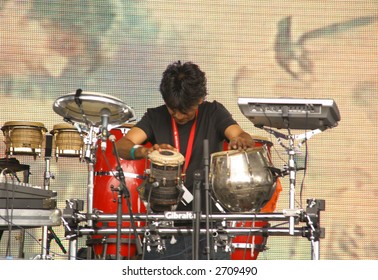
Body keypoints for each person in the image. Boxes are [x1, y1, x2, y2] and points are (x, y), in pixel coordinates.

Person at [115, 61, 255, 260]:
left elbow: (240, 135)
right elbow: (121, 145)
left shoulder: (214, 113)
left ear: (200, 99)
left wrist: (240, 140)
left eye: (185, 110)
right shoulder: (155, 116)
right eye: (173, 110)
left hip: (209, 222)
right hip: (164, 224)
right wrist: (144, 152)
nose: (179, 115)